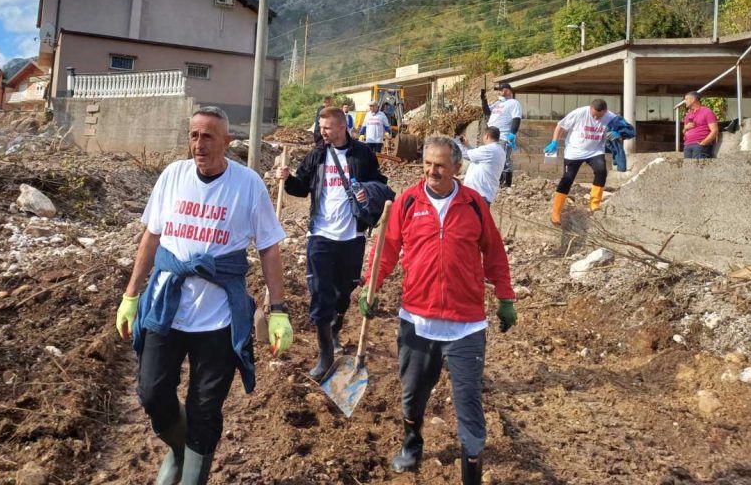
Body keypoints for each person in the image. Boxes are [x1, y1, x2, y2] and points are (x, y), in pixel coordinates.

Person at [116, 106, 293, 485]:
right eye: (194, 135)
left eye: (208, 136)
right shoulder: (173, 176)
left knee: (206, 406)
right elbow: (152, 235)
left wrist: (277, 310)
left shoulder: (248, 185)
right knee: (152, 393)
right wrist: (131, 295)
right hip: (167, 306)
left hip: (219, 317)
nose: (199, 144)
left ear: (227, 142)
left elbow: (269, 247)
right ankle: (179, 448)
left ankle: (194, 474)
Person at [360, 135, 516, 483]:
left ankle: (471, 476)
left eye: (440, 165)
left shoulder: (474, 204)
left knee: (469, 405)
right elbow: (386, 251)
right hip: (417, 320)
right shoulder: (407, 202)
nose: (432, 171)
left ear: (457, 168)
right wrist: (371, 286)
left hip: (466, 325)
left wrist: (505, 298)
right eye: (428, 164)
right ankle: (412, 443)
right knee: (413, 395)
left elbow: (494, 254)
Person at [279, 107, 392, 380]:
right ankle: (325, 354)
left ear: (342, 127)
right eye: (321, 127)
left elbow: (380, 184)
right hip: (320, 233)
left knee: (344, 291)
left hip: (352, 234)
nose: (322, 132)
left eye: (327, 127)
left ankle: (336, 326)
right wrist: (287, 180)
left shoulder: (362, 154)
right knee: (320, 292)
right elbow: (301, 188)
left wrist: (368, 193)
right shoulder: (317, 154)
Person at [544, 98, 616, 225]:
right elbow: (560, 125)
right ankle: (556, 212)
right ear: (590, 108)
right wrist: (554, 141)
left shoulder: (611, 117)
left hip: (595, 151)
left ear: (605, 111)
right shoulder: (579, 113)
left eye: (599, 116)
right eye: (593, 115)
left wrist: (618, 132)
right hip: (574, 151)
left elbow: (625, 128)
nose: (595, 118)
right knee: (567, 178)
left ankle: (594, 204)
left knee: (601, 171)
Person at [480, 82, 521, 188]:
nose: (499, 92)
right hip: (492, 136)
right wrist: (483, 100)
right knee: (494, 158)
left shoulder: (513, 103)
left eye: (500, 90)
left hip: (503, 136)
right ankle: (498, 181)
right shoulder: (499, 103)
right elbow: (487, 112)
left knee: (504, 159)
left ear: (507, 90)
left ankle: (507, 183)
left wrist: (512, 134)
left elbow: (516, 118)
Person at [458, 126, 506, 205]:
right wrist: (467, 145)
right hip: (483, 195)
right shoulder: (499, 150)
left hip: (478, 195)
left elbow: (465, 154)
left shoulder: (489, 149)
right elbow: (478, 155)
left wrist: (456, 142)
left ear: (487, 136)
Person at [682, 91, 718, 159]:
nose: (685, 101)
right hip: (687, 145)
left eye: (686, 99)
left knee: (698, 168)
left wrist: (703, 143)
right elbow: (684, 132)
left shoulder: (707, 112)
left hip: (699, 145)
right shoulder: (688, 115)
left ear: (693, 99)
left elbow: (715, 131)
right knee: (688, 169)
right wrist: (686, 128)